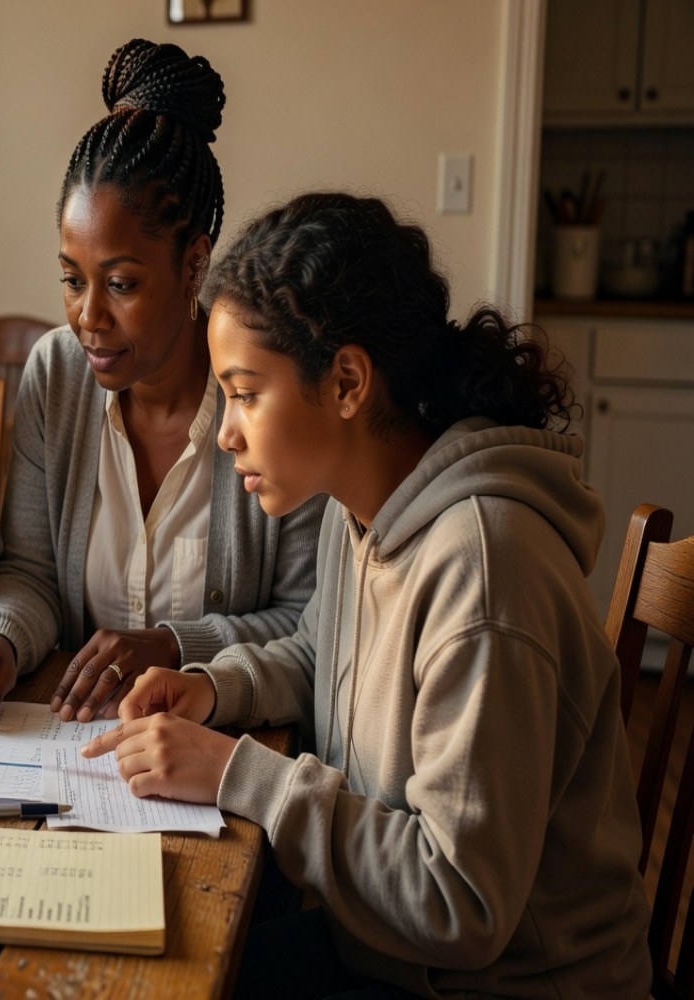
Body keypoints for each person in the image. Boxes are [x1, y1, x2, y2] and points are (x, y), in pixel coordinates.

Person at [84, 192, 651, 997]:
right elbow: (321, 651)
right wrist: (213, 690)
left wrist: (237, 775)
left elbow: (463, 904)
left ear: (346, 381)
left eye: (246, 393)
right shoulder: (362, 515)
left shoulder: (485, 569)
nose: (225, 432)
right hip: (384, 949)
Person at [0, 39, 321, 733]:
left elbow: (304, 620)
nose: (89, 316)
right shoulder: (55, 376)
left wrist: (174, 646)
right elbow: (30, 573)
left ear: (194, 263)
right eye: (71, 279)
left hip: (220, 752)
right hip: (81, 749)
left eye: (121, 284)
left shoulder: (264, 396)